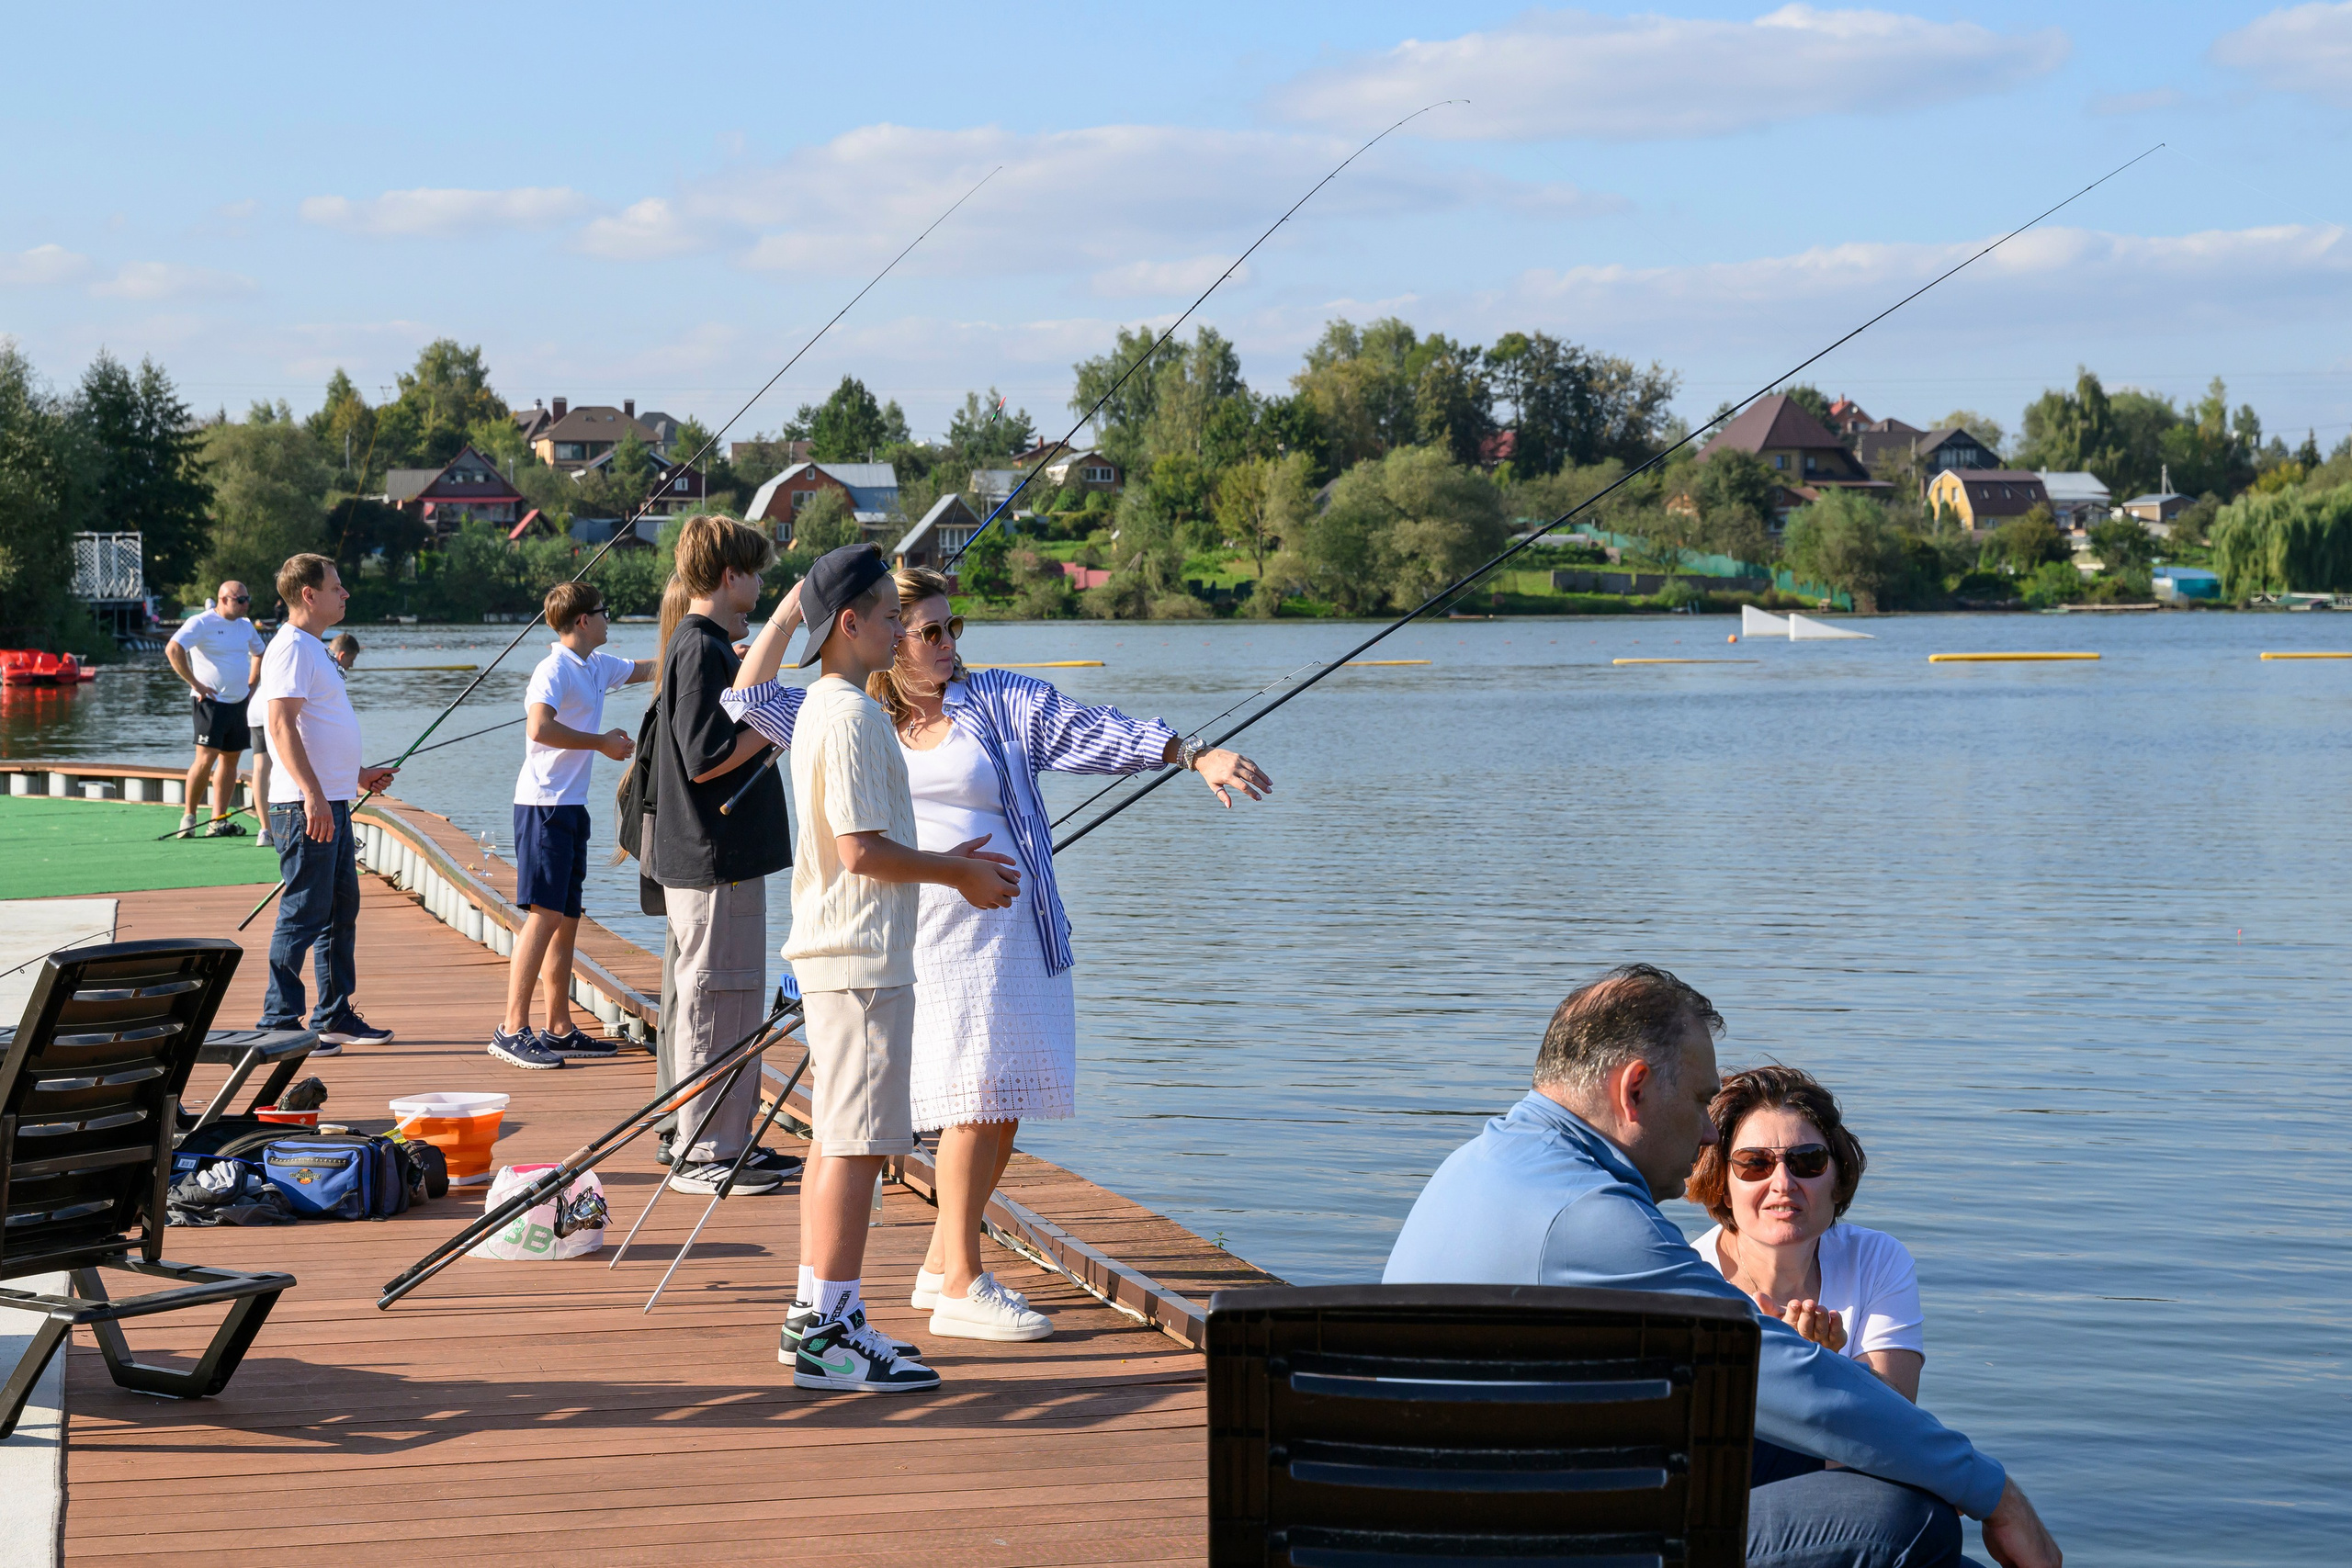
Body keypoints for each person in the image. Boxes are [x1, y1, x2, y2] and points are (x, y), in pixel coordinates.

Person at [728, 563, 1272, 1343]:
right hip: (918, 932)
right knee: (971, 1103)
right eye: (928, 629)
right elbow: (749, 700)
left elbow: (1091, 729)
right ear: (887, 633)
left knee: (1002, 1100)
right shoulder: (851, 710)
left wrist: (1189, 753)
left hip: (1006, 931)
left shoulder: (998, 700)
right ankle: (961, 1279)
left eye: (953, 627)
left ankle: (941, 1258)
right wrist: (792, 608)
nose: (948, 643)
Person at [1384, 964, 2062, 1568]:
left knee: (1837, 1456)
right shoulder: (1589, 1216)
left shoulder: (1478, 1165)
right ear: (1636, 1090)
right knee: (1904, 1518)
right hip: (1539, 1542)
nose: (1710, 1131)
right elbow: (1785, 1379)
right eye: (1700, 1101)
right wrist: (1996, 1494)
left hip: (1481, 1508)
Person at [772, 544, 1020, 1394]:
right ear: (850, 624)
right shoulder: (852, 716)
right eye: (889, 618)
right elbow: (861, 850)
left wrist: (950, 858)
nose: (899, 631)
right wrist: (957, 871)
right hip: (863, 962)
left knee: (834, 1139)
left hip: (838, 956)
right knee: (856, 1145)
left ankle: (813, 1310)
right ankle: (834, 1332)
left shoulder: (819, 707)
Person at [646, 518, 799, 1197]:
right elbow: (705, 757)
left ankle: (731, 1140)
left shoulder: (708, 646)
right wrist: (775, 722)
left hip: (725, 863)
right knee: (715, 1003)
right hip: (714, 862)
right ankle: (702, 1149)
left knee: (734, 1004)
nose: (760, 584)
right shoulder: (700, 646)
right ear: (729, 575)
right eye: (755, 573)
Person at [1686, 1066, 1924, 1403]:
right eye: (1755, 1163)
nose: (1783, 1183)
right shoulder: (1686, 1281)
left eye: (1807, 1161)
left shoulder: (1876, 1260)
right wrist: (1793, 1363)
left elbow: (1898, 1419)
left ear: (1839, 1178)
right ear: (1722, 1185)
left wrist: (1824, 1364)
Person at [490, 581, 653, 1071]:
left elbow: (649, 669)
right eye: (605, 612)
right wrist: (600, 742)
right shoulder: (554, 668)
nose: (609, 619)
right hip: (543, 807)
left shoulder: (596, 665)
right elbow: (538, 727)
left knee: (566, 917)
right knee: (543, 916)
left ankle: (558, 1027)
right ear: (583, 621)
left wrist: (722, 651)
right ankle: (511, 1029)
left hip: (571, 806)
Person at [254, 555, 399, 1054]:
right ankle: (278, 1021)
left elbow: (317, 728)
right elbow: (280, 726)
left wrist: (356, 776)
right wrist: (312, 794)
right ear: (309, 595)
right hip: (305, 806)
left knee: (339, 912)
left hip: (331, 799)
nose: (346, 594)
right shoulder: (292, 648)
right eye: (337, 587)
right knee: (303, 912)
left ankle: (333, 1016)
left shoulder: (313, 649)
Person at [165, 580, 267, 840]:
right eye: (240, 600)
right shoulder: (201, 623)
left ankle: (217, 821)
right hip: (209, 702)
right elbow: (173, 649)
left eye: (247, 599)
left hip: (239, 702)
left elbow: (260, 653)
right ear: (223, 600)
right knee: (205, 759)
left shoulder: (245, 626)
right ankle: (189, 818)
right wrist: (195, 683)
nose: (245, 605)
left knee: (230, 759)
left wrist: (252, 684)